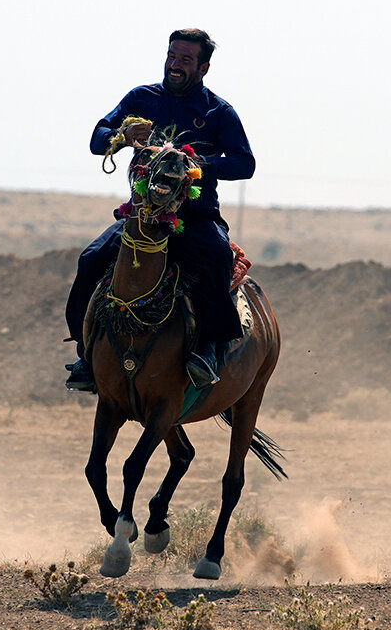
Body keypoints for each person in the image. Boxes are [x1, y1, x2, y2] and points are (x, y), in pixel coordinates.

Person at [65, 28, 255, 393]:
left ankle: (209, 351)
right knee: (90, 260)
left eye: (186, 59)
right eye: (172, 56)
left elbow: (245, 164)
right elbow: (97, 138)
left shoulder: (218, 112)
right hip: (141, 215)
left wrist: (198, 163)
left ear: (204, 67)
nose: (175, 65)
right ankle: (85, 354)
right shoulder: (142, 98)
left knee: (216, 257)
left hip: (194, 217)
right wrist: (121, 136)